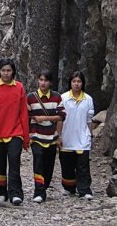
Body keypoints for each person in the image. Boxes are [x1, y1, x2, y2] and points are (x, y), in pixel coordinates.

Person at [0, 57, 29, 205]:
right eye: (3, 70)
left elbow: (23, 113)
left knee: (14, 162)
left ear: (13, 72)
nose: (6, 73)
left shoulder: (19, 88)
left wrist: (26, 137)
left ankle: (15, 193)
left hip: (15, 132)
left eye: (8, 70)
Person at [27, 70, 66, 203]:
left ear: (50, 82)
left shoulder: (56, 97)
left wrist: (44, 117)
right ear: (37, 80)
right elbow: (25, 116)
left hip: (51, 136)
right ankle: (39, 191)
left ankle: (44, 185)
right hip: (36, 135)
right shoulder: (31, 97)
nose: (43, 83)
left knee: (49, 165)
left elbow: (62, 116)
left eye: (46, 80)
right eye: (41, 80)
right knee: (38, 161)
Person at [59, 70, 95, 200]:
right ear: (70, 83)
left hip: (82, 137)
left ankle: (84, 189)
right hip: (67, 136)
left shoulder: (88, 99)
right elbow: (59, 119)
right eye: (74, 81)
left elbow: (89, 120)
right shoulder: (63, 98)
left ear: (83, 83)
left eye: (79, 81)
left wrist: (91, 136)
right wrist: (59, 136)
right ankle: (69, 187)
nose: (76, 84)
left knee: (83, 166)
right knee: (67, 164)